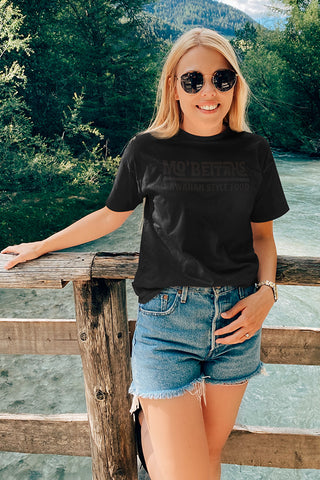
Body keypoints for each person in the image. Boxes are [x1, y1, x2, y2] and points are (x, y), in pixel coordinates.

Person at [2, 27, 289, 480]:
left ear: (236, 84)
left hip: (239, 321)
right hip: (167, 324)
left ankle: (151, 430)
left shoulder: (255, 151)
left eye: (222, 78)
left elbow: (263, 238)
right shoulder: (146, 149)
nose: (208, 91)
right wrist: (40, 245)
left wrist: (267, 294)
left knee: (207, 462)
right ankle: (149, 422)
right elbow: (109, 216)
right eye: (193, 80)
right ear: (173, 86)